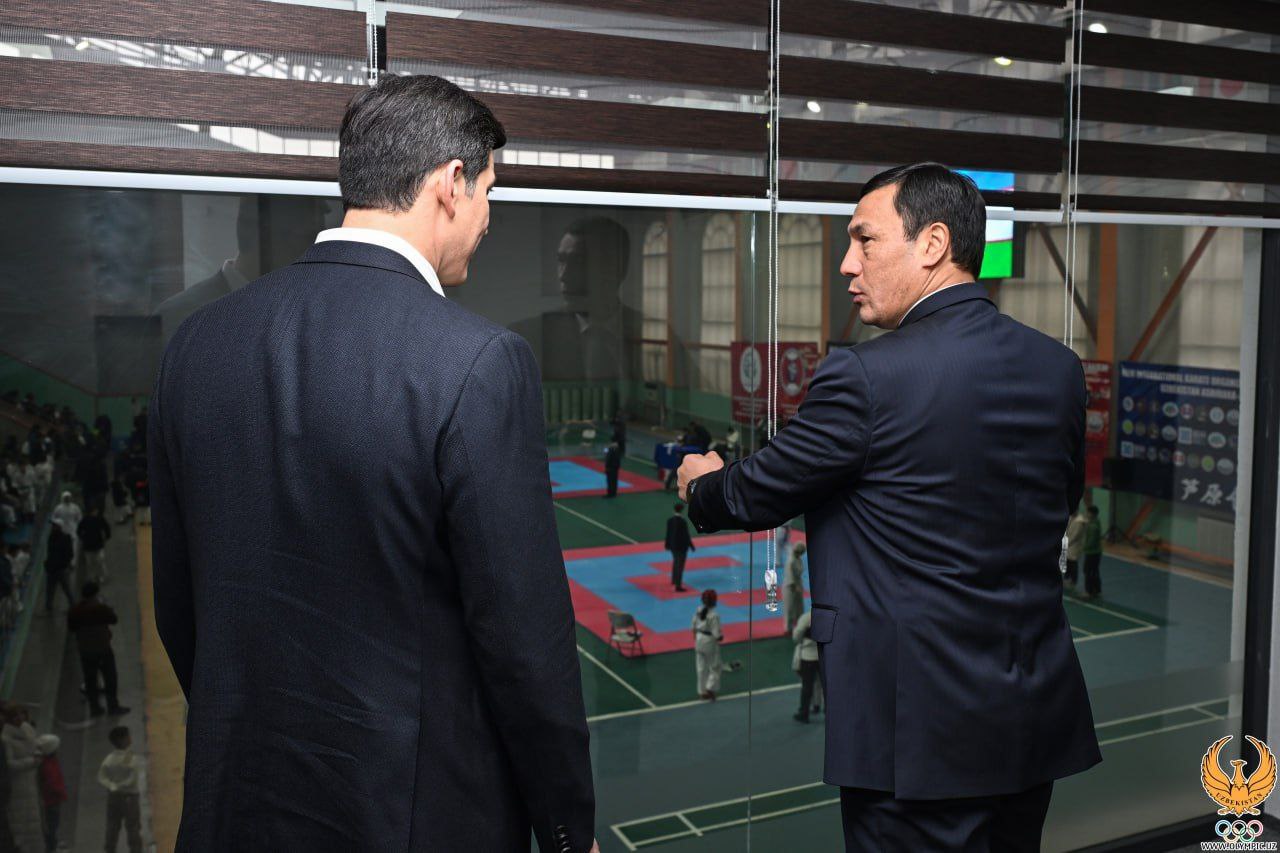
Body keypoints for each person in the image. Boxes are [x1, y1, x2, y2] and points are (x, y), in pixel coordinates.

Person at [149, 75, 597, 852]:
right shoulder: (476, 361)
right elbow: (525, 642)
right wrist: (566, 827)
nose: (489, 218)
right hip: (414, 818)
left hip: (237, 809)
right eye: (490, 191)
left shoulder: (197, 343)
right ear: (451, 183)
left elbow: (180, 605)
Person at [679, 163, 1100, 850]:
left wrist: (702, 482)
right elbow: (1057, 501)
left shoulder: (866, 376)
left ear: (932, 244)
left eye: (865, 240)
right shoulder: (1058, 369)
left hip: (917, 737)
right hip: (1029, 722)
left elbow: (757, 491)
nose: (849, 264)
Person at [66, 582, 129, 718]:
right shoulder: (100, 608)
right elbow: (114, 619)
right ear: (95, 594)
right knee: (110, 677)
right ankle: (112, 706)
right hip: (102, 648)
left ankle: (95, 708)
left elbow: (71, 628)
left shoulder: (75, 610)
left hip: (85, 650)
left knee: (90, 680)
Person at [98, 726, 142, 853]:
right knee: (133, 826)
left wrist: (112, 785)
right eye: (128, 736)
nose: (130, 738)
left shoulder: (109, 759)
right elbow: (132, 777)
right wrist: (122, 785)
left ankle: (110, 849)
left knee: (112, 825)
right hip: (130, 798)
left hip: (113, 797)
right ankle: (135, 849)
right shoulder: (129, 757)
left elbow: (101, 777)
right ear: (123, 740)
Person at [35, 733, 67, 853]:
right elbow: (53, 783)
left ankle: (53, 843)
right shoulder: (49, 765)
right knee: (52, 824)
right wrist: (61, 793)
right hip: (52, 800)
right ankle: (52, 847)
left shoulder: (46, 762)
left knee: (52, 824)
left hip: (50, 800)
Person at [792, 607, 824, 723]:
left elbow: (796, 637)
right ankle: (826, 710)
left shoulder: (806, 618)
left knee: (807, 686)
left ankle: (804, 713)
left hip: (808, 657)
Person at [692, 589, 723, 700]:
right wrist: (720, 637)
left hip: (699, 639)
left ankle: (702, 692)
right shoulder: (714, 615)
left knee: (701, 668)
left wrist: (696, 638)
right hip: (709, 641)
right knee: (715, 666)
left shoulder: (698, 610)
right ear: (714, 601)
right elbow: (716, 634)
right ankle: (710, 687)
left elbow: (693, 626)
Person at [664, 503, 695, 592]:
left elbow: (668, 533)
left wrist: (667, 544)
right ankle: (678, 586)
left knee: (675, 563)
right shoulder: (682, 522)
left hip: (673, 546)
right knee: (680, 566)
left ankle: (674, 580)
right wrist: (691, 546)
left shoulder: (670, 520)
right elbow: (686, 535)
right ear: (681, 510)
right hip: (681, 547)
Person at [43, 528, 75, 613]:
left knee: (51, 588)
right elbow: (70, 553)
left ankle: (49, 606)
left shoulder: (53, 538)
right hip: (59, 568)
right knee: (66, 587)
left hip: (54, 568)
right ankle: (72, 603)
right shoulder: (64, 538)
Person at [78, 506, 112, 584]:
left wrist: (82, 538)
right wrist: (107, 536)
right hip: (98, 544)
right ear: (94, 511)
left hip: (88, 545)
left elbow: (79, 530)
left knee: (90, 563)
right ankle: (102, 576)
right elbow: (106, 527)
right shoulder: (99, 519)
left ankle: (92, 578)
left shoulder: (84, 520)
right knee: (100, 561)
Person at [783, 541, 808, 634]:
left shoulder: (798, 559)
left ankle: (799, 626)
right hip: (790, 587)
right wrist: (794, 586)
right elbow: (790, 576)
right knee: (789, 608)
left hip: (798, 585)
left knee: (799, 608)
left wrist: (798, 588)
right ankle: (788, 628)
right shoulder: (791, 561)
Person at [1063, 503, 1088, 590]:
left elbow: (1076, 535)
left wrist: (1067, 543)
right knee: (1067, 562)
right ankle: (1067, 578)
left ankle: (1073, 580)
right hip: (1068, 544)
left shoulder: (1080, 521)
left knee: (1073, 563)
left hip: (1074, 545)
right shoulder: (1070, 517)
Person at [1082, 505, 1103, 599]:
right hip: (1096, 552)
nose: (1086, 514)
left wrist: (1083, 548)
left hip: (1091, 553)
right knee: (1094, 571)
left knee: (1088, 571)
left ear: (1092, 514)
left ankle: (1088, 591)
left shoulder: (1093, 527)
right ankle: (1097, 590)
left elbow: (1091, 541)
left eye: (1088, 512)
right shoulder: (1096, 522)